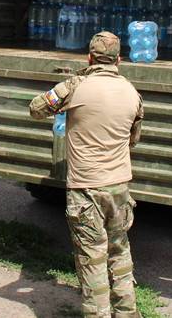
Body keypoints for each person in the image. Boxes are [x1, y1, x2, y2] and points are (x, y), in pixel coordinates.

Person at [29, 31, 144, 318]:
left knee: (92, 258)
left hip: (86, 189)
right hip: (119, 187)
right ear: (119, 59)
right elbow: (133, 140)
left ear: (89, 57)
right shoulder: (133, 92)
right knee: (120, 251)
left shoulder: (75, 87)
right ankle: (127, 312)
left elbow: (36, 109)